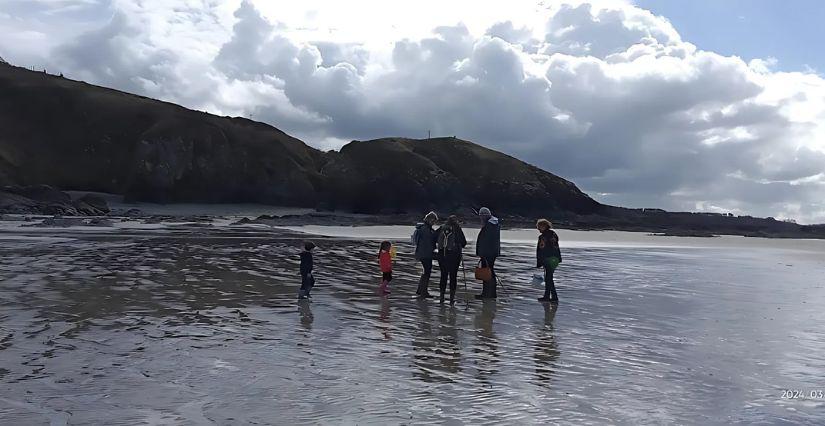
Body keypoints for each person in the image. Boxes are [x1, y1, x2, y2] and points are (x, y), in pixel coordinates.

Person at [436, 215, 467, 305]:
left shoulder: (442, 228)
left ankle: (442, 297)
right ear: (456, 221)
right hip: (454, 256)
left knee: (443, 276)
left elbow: (434, 237)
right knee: (453, 276)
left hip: (442, 255)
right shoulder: (457, 229)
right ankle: (451, 299)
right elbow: (464, 243)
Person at [475, 207, 501, 299]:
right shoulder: (493, 224)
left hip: (487, 253)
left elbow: (486, 241)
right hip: (491, 252)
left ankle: (487, 294)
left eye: (481, 216)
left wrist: (482, 253)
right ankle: (491, 293)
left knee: (487, 273)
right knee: (489, 272)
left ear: (484, 215)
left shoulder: (489, 225)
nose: (480, 218)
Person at [412, 211, 439, 298]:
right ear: (430, 219)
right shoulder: (426, 229)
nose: (434, 222)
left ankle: (421, 290)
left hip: (422, 253)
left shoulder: (425, 228)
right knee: (427, 272)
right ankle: (423, 292)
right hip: (425, 254)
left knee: (425, 272)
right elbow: (429, 242)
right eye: (434, 220)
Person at [536, 219, 562, 302]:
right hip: (556, 258)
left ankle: (553, 297)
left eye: (539, 226)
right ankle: (548, 296)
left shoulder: (543, 237)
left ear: (544, 226)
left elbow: (541, 249)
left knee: (548, 278)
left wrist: (540, 262)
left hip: (548, 259)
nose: (538, 229)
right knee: (548, 277)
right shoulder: (553, 234)